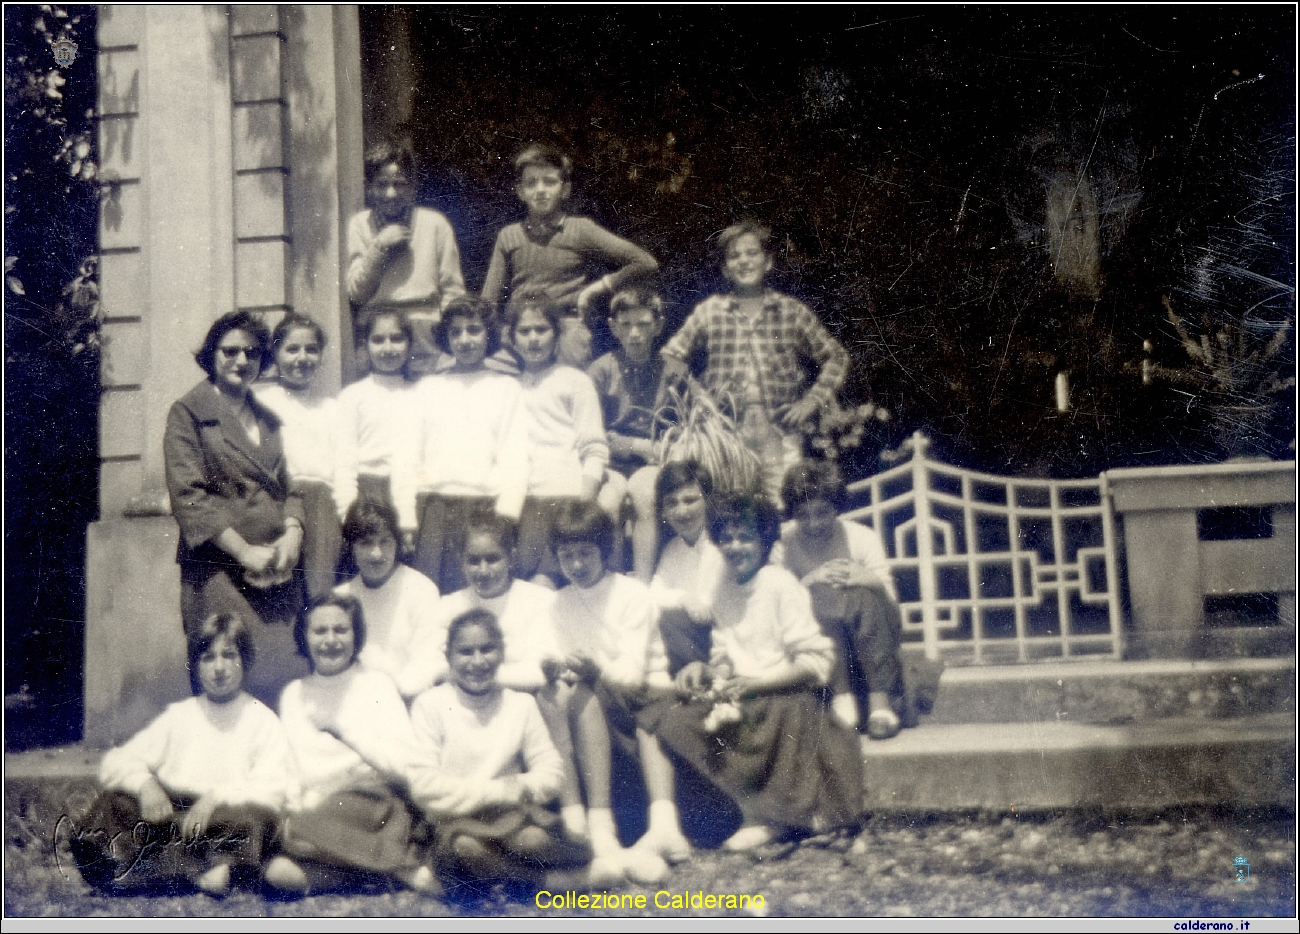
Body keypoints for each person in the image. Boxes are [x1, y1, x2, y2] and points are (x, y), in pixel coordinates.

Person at [653, 493, 864, 851]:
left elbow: (816, 663)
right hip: (744, 691)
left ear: (764, 540)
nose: (735, 547)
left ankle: (774, 818)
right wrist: (707, 669)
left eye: (746, 538)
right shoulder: (722, 589)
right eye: (727, 539)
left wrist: (758, 682)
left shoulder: (779, 584)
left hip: (787, 692)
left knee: (775, 713)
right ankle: (747, 809)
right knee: (677, 720)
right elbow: (727, 653)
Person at [70, 613, 294, 896]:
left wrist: (214, 798)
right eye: (208, 658)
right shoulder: (181, 716)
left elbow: (271, 785)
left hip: (223, 816)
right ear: (196, 666)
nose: (220, 667)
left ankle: (190, 870)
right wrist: (146, 786)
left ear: (245, 660)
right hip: (177, 819)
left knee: (252, 819)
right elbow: (118, 761)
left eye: (229, 655)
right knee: (115, 802)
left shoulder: (262, 720)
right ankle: (194, 869)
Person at [164, 311, 309, 707]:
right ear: (211, 355)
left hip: (276, 571)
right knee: (226, 677)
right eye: (230, 352)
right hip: (219, 570)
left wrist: (294, 531)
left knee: (279, 680)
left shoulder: (269, 419)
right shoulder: (189, 413)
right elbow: (189, 497)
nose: (241, 362)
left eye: (252, 353)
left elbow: (291, 485)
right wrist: (245, 551)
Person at [546, 501, 689, 883]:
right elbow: (562, 660)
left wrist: (595, 669)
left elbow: (632, 674)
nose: (576, 565)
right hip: (596, 703)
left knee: (627, 700)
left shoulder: (631, 593)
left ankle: (663, 822)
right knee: (572, 696)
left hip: (644, 696)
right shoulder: (559, 602)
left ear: (605, 550)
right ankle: (599, 823)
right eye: (566, 556)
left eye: (586, 553)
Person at [660, 220, 850, 499]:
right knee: (734, 506)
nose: (744, 262)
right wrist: (700, 397)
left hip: (780, 433)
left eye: (751, 253)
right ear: (725, 269)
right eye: (734, 256)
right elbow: (671, 355)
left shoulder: (790, 312)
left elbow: (836, 356)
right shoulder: (710, 312)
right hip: (728, 435)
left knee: (784, 504)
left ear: (768, 261)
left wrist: (810, 402)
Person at [264, 594, 436, 896]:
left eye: (341, 630)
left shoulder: (376, 684)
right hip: (317, 807)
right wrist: (298, 798)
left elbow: (406, 766)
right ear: (305, 637)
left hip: (373, 802)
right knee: (279, 872)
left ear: (355, 635)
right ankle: (388, 869)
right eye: (320, 631)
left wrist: (351, 736)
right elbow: (289, 764)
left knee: (295, 835)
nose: (331, 640)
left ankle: (380, 863)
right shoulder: (293, 693)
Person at [408, 609, 588, 892]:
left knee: (533, 841)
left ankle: (501, 874)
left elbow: (552, 772)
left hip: (511, 817)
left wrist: (516, 791)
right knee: (468, 848)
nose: (477, 661)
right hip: (455, 820)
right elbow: (424, 786)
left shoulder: (520, 705)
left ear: (502, 653)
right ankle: (548, 882)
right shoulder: (429, 705)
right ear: (449, 658)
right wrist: (502, 790)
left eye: (487, 649)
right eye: (465, 652)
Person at [481, 143, 659, 369]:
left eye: (550, 181)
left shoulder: (580, 229)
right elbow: (488, 302)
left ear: (565, 189)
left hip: (567, 330)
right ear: (520, 191)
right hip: (521, 332)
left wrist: (599, 287)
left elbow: (645, 262)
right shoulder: (509, 236)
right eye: (531, 183)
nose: (540, 189)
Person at [773, 459, 906, 738]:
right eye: (803, 515)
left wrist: (869, 580)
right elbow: (775, 604)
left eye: (822, 513)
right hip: (817, 647)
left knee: (863, 594)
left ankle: (881, 706)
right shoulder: (783, 546)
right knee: (815, 597)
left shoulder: (861, 538)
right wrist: (810, 581)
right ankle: (842, 699)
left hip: (871, 643)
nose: (813, 523)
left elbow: (892, 609)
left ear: (836, 507)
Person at [410, 296, 529, 593]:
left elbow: (515, 457)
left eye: (474, 330)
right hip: (434, 508)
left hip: (482, 508)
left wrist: (505, 517)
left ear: (488, 334)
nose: (464, 339)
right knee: (430, 592)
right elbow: (412, 456)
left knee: (475, 593)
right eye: (456, 332)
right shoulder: (429, 388)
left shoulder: (506, 388)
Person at [506, 293, 611, 586]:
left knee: (546, 586)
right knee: (523, 587)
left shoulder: (575, 381)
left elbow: (594, 449)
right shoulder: (509, 388)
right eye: (524, 332)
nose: (533, 339)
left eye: (542, 330)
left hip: (566, 501)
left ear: (556, 334)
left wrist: (582, 507)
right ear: (512, 339)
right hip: (523, 505)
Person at [590, 286, 689, 580]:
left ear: (657, 326)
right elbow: (590, 429)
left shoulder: (673, 371)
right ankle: (614, 579)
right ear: (614, 328)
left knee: (645, 495)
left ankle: (642, 583)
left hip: (652, 461)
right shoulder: (601, 371)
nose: (635, 333)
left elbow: (688, 427)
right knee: (608, 502)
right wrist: (621, 446)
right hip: (610, 464)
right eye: (626, 325)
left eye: (643, 324)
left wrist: (636, 445)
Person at [347, 140, 467, 377]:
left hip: (425, 330)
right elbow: (356, 292)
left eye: (399, 184)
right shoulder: (360, 225)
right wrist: (379, 246)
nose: (391, 193)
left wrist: (446, 343)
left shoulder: (434, 224)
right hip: (378, 334)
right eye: (381, 185)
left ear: (413, 186)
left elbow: (453, 292)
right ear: (369, 188)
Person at [254, 314, 343, 601]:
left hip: (323, 510)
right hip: (278, 501)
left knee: (318, 591)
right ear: (276, 353)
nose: (302, 358)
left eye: (311, 349)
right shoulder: (262, 402)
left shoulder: (332, 408)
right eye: (292, 349)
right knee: (278, 589)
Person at [333, 499, 443, 700]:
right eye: (366, 543)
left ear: (397, 543)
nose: (377, 554)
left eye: (385, 541)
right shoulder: (340, 598)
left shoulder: (421, 589)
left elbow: (428, 665)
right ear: (350, 546)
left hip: (407, 701)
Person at [334, 309, 420, 545]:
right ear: (366, 345)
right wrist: (347, 515)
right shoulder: (353, 396)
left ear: (410, 344)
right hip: (366, 495)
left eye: (397, 338)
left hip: (411, 494)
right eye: (378, 340)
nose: (388, 348)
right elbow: (345, 462)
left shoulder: (420, 394)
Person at [648, 460, 725, 677]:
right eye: (672, 503)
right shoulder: (672, 549)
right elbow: (653, 595)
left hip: (722, 642)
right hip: (687, 641)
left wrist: (687, 602)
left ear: (708, 501)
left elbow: (712, 609)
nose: (682, 511)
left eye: (690, 500)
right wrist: (684, 598)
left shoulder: (721, 543)